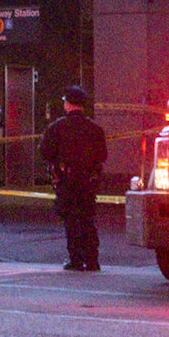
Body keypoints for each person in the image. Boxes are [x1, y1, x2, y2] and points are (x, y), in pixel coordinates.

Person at [39, 85, 108, 272]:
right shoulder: (95, 129)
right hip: (88, 181)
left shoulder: (56, 128)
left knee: (71, 220)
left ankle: (76, 259)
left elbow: (45, 152)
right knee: (88, 219)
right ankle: (92, 260)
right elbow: (103, 155)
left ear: (68, 104)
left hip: (66, 180)